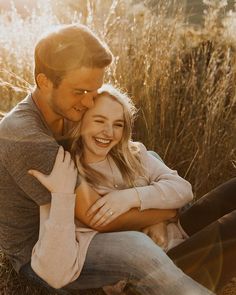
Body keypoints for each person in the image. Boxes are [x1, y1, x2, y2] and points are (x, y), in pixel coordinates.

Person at [0, 23, 214, 295]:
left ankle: (181, 238)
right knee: (136, 249)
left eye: (94, 90)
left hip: (83, 224)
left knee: (147, 159)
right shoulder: (24, 135)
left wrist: (140, 199)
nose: (89, 103)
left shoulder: (69, 112)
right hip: (47, 252)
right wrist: (163, 213)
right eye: (79, 92)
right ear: (44, 82)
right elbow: (95, 217)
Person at [30, 84, 236, 294]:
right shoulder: (69, 174)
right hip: (159, 269)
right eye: (99, 120)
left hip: (178, 232)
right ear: (81, 122)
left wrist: (131, 197)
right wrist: (162, 213)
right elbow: (57, 264)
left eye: (117, 124)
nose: (108, 132)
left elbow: (183, 189)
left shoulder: (134, 153)